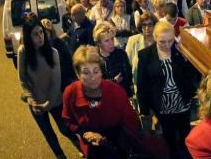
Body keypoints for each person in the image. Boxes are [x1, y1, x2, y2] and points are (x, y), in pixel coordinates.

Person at [62, 46, 141, 158]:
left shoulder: (116, 91)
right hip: (91, 149)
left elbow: (131, 122)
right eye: (86, 72)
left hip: (118, 147)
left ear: (101, 71)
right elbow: (68, 120)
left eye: (96, 71)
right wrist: (84, 133)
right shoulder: (70, 93)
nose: (92, 78)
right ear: (77, 74)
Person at [18, 14, 79, 158]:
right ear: (28, 37)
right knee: (49, 134)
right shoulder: (23, 52)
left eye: (41, 32)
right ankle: (60, 156)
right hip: (36, 104)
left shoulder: (53, 52)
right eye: (35, 34)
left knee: (65, 128)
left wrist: (48, 103)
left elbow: (56, 82)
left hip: (55, 100)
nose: (40, 37)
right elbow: (22, 79)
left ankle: (81, 146)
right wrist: (32, 100)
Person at [137, 21, 198, 157]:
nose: (167, 45)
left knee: (184, 130)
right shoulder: (145, 55)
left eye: (170, 41)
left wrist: (188, 60)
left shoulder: (180, 50)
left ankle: (185, 151)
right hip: (162, 104)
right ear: (155, 37)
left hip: (182, 100)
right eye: (162, 42)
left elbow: (191, 76)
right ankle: (173, 153)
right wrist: (144, 109)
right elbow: (142, 83)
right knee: (168, 133)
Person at [93, 22, 133, 97]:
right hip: (104, 98)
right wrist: (113, 81)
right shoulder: (95, 58)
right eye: (107, 41)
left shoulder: (121, 53)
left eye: (112, 39)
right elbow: (95, 82)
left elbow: (128, 74)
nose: (111, 43)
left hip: (122, 95)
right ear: (99, 43)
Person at [40, 18, 76, 92]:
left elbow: (69, 63)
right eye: (42, 33)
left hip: (62, 83)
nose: (43, 36)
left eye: (45, 33)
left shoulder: (60, 44)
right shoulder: (39, 46)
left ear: (50, 32)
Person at [126, 11, 158, 90]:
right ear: (140, 26)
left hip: (158, 85)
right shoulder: (133, 41)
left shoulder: (160, 41)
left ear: (155, 25)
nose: (147, 28)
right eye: (144, 25)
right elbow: (127, 65)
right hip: (140, 85)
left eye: (150, 24)